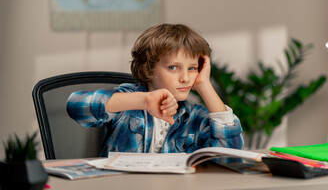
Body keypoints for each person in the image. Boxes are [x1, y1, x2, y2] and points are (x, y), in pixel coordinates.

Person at [67, 23, 244, 156]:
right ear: (149, 68)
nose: (186, 78)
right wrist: (144, 100)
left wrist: (204, 84)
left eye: (192, 68)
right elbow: (76, 105)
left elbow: (230, 155)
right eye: (173, 67)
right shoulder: (128, 103)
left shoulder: (196, 118)